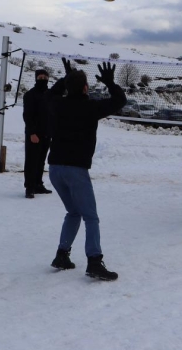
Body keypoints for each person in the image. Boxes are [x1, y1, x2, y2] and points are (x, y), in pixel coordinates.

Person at [47, 60, 126, 281]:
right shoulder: (90, 107)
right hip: (76, 170)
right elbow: (120, 100)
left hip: (54, 168)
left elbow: (50, 95)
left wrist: (64, 80)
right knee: (90, 217)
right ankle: (94, 262)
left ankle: (62, 255)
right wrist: (110, 83)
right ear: (85, 88)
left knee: (73, 212)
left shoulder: (57, 104)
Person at [22, 68, 53, 199]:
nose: (43, 80)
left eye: (45, 78)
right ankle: (29, 187)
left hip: (47, 133)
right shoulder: (30, 95)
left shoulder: (50, 94)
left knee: (41, 161)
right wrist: (32, 133)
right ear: (36, 78)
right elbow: (27, 116)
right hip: (34, 134)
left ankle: (38, 184)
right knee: (31, 161)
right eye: (40, 78)